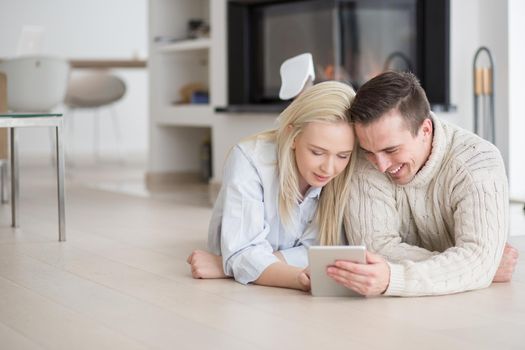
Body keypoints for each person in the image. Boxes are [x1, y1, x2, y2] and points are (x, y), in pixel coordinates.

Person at [326, 71, 519, 297]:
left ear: (425, 130)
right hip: (411, 303)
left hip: (471, 304)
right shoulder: (365, 156)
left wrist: (393, 278)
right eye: (370, 152)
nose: (380, 165)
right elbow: (375, 248)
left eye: (392, 150)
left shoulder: (478, 161)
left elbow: (477, 259)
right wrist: (471, 266)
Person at [187, 81, 357, 291]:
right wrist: (299, 278)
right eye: (317, 152)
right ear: (292, 135)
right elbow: (242, 251)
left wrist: (229, 266)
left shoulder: (348, 172)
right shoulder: (249, 160)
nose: (329, 169)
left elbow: (324, 250)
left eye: (342, 155)